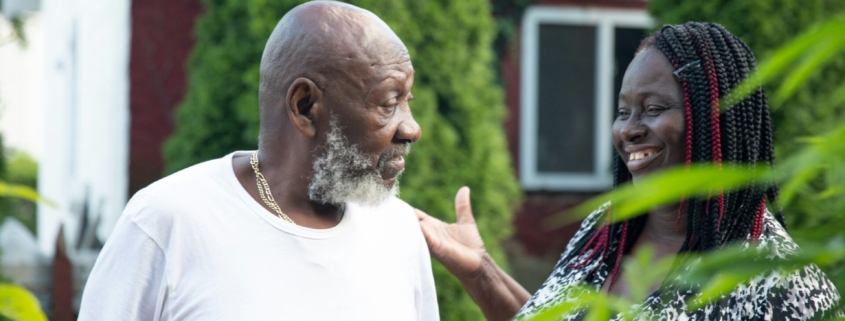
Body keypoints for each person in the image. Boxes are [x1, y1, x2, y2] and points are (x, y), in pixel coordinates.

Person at [416, 22, 840, 320]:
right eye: (623, 112)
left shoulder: (780, 281)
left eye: (653, 109)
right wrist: (481, 272)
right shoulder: (605, 234)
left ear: (717, 121)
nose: (629, 130)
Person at [79, 2, 438, 320]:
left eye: (408, 100)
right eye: (389, 103)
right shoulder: (166, 221)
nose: (412, 128)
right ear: (305, 108)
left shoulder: (399, 231)